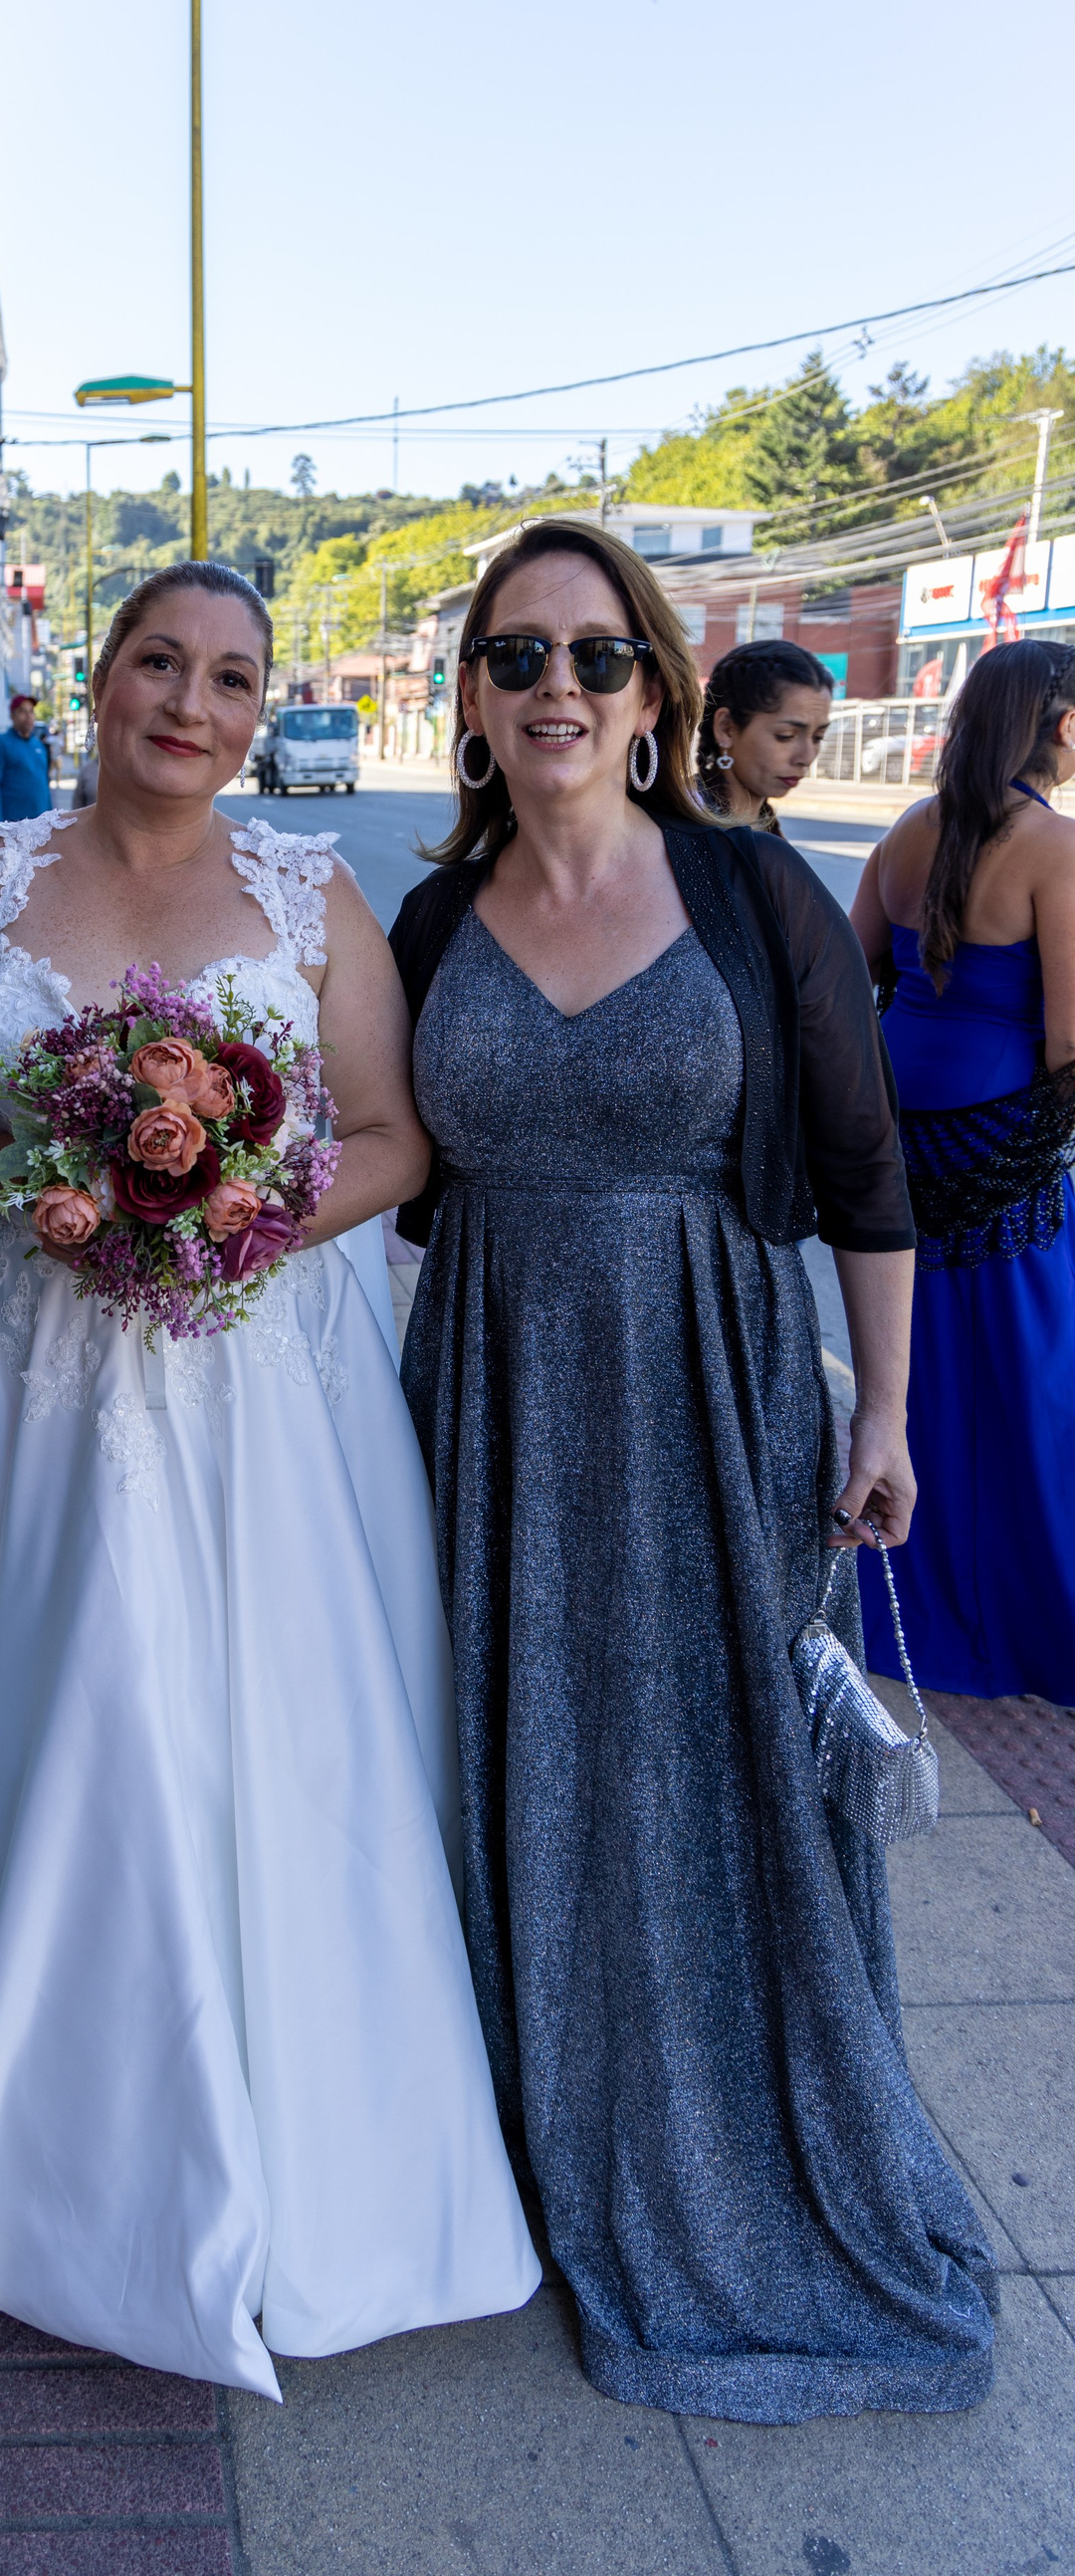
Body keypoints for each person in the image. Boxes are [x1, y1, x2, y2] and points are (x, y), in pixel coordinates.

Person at [0, 560, 539, 2396]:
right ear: (98, 676)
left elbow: (389, 1137)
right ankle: (24, 2128)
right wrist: (46, 1178)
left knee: (273, 1734)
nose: (194, 704)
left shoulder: (312, 891)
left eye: (234, 678)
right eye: (161, 661)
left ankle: (296, 2134)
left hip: (258, 1384)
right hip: (32, 1375)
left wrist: (231, 1217)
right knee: (27, 1705)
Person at [389, 515, 994, 2422]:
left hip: (716, 1388)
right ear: (472, 695)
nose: (555, 686)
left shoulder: (748, 888)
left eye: (594, 653)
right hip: (489, 1395)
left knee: (712, 1763)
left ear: (653, 687)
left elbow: (865, 1165)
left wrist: (883, 1414)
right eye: (516, 655)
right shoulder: (430, 921)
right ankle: (527, 2114)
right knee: (517, 1752)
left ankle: (732, 2139)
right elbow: (364, 1164)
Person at [850, 638, 1075, 1700]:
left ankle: (915, 1614)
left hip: (905, 1134)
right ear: (1061, 725)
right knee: (1032, 1379)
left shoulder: (907, 829)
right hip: (1004, 1148)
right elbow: (1069, 1041)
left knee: (919, 1377)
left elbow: (848, 977)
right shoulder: (1054, 846)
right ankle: (1031, 1620)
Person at [695, 637, 837, 828]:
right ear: (726, 728)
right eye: (786, 736)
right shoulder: (672, 829)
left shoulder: (767, 831)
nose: (806, 757)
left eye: (818, 738)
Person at [0, 689, 53, 820]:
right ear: (12, 716)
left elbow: (44, 783)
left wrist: (51, 817)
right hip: (13, 822)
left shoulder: (38, 745)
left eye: (31, 711)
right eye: (22, 711)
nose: (28, 716)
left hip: (40, 821)